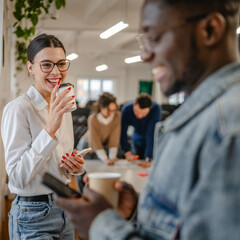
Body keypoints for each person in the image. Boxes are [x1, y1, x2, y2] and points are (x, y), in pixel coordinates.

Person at [55, 0, 240, 239]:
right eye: (142, 41)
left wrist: (103, 226)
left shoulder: (228, 128)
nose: (144, 55)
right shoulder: (205, 119)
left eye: (154, 36)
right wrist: (139, 215)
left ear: (210, 30)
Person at [1, 33, 85, 240]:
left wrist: (74, 166)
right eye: (46, 65)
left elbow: (56, 165)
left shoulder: (63, 106)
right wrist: (49, 130)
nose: (56, 72)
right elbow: (18, 178)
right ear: (30, 67)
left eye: (61, 64)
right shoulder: (18, 109)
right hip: (33, 214)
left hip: (64, 208)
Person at [77, 92, 121, 165]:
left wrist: (112, 158)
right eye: (109, 110)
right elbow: (95, 141)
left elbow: (114, 138)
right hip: (88, 144)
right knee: (85, 167)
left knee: (104, 166)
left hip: (103, 144)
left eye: (113, 110)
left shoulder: (117, 116)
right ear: (101, 107)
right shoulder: (92, 119)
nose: (111, 113)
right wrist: (105, 159)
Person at [121, 93, 161, 161]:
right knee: (137, 161)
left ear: (149, 109)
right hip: (137, 137)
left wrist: (149, 157)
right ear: (134, 104)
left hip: (151, 140)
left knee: (148, 163)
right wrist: (127, 151)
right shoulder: (126, 110)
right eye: (137, 112)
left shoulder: (156, 109)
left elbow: (151, 133)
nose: (139, 116)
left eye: (144, 114)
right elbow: (122, 132)